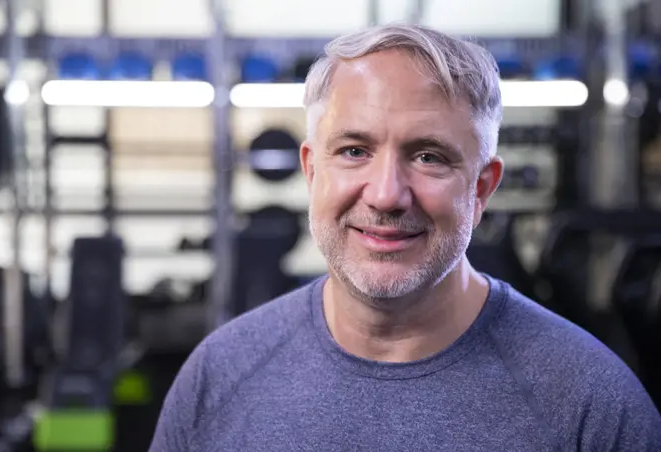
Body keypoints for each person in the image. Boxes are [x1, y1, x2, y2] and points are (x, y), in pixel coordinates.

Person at [149, 23, 661, 451]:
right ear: (311, 171)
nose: (387, 195)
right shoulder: (217, 379)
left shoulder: (592, 407)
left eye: (428, 156)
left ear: (482, 188)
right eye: (354, 151)